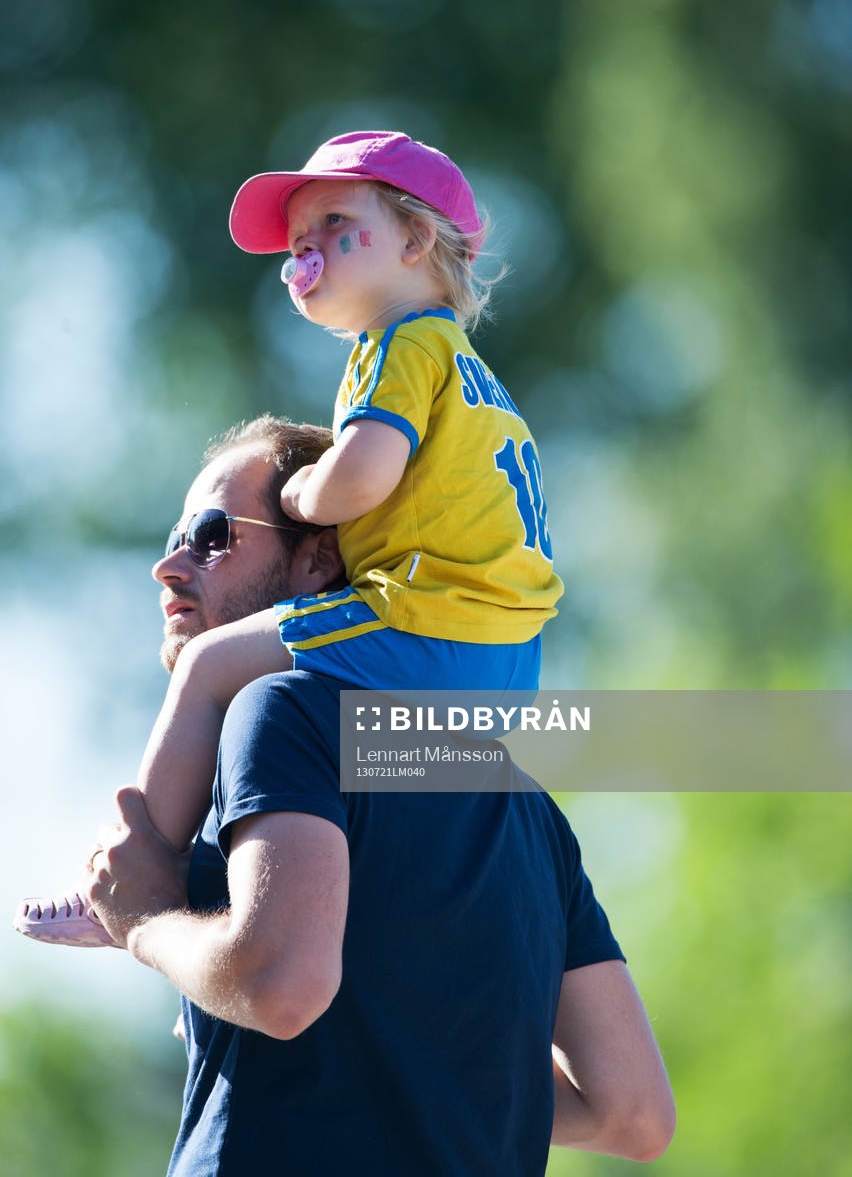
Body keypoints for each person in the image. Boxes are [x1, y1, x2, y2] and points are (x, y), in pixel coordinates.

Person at [81, 416, 674, 1174]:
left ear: (319, 561)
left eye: (211, 533)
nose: (169, 565)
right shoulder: (525, 807)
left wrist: (147, 924)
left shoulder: (282, 708)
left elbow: (284, 988)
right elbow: (634, 1114)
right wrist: (423, 1063)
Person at [16, 130, 564, 945]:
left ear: (415, 241)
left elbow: (365, 474)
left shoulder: (400, 342)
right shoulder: (474, 372)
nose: (307, 249)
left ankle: (132, 877)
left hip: (430, 625)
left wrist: (308, 491)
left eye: (335, 224)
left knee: (209, 664)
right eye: (298, 241)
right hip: (508, 661)